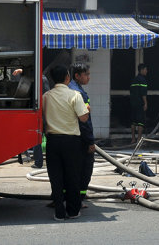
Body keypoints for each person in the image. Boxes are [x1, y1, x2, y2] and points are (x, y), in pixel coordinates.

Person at [42, 65, 89, 221]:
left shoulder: (46, 96)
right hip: (72, 142)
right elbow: (83, 118)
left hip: (53, 142)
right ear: (67, 78)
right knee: (72, 177)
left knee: (56, 178)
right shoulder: (75, 95)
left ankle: (59, 213)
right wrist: (87, 109)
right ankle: (73, 211)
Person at [68, 63, 94, 207]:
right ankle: (79, 198)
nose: (89, 77)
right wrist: (90, 141)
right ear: (77, 76)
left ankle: (68, 197)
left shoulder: (71, 89)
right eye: (86, 74)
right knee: (85, 169)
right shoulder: (79, 93)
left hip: (72, 137)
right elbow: (85, 121)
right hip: (81, 139)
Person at [130, 63, 148, 143]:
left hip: (133, 103)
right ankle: (139, 139)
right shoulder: (143, 80)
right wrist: (145, 103)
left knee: (133, 121)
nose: (146, 71)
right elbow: (143, 93)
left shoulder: (134, 79)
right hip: (140, 103)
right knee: (140, 122)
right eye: (145, 69)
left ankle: (133, 139)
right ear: (142, 70)